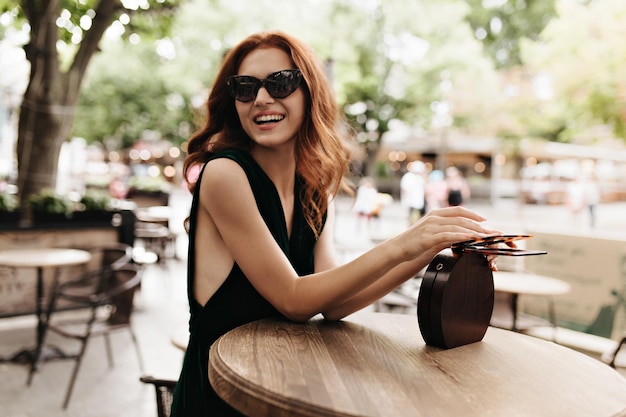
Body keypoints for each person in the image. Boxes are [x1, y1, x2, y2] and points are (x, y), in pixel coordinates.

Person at [170, 30, 500, 417]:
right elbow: (294, 300)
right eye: (245, 87)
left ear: (310, 93)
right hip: (221, 397)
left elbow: (334, 303)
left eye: (281, 82)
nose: (261, 98)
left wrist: (429, 248)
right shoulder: (225, 174)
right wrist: (407, 241)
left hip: (284, 389)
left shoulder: (311, 185)